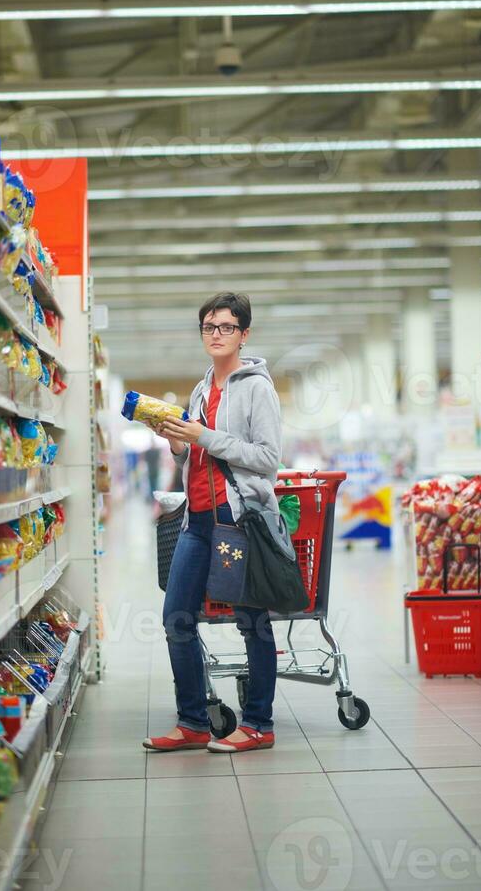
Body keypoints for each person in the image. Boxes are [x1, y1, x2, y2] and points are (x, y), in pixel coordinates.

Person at [143, 292, 281, 754]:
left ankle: (259, 723)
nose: (216, 334)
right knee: (177, 618)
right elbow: (196, 455)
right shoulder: (202, 389)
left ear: (244, 334)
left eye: (225, 326)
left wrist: (206, 436)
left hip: (237, 522)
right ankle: (193, 722)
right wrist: (178, 442)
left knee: (251, 620)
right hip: (197, 521)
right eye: (208, 327)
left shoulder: (257, 388)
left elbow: (266, 458)